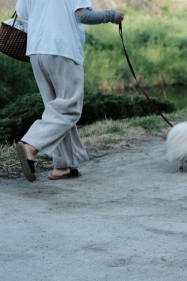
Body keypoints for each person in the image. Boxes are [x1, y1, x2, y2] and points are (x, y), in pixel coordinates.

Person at [15, 0, 124, 182]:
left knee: (56, 110)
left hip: (36, 51)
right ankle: (31, 145)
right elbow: (83, 15)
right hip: (61, 49)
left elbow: (23, 12)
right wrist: (113, 15)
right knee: (69, 107)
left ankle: (62, 166)